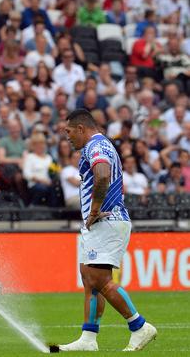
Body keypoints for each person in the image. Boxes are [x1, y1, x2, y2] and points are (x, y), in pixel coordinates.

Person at [58, 108, 157, 352]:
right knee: (89, 278)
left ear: (81, 128)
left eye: (69, 132)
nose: (67, 137)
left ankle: (139, 326)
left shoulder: (96, 146)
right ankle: (88, 338)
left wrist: (94, 209)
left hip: (107, 220)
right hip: (99, 224)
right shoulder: (95, 145)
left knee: (99, 279)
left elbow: (102, 176)